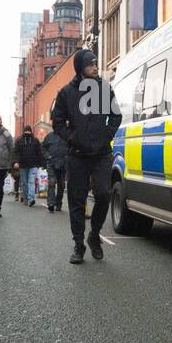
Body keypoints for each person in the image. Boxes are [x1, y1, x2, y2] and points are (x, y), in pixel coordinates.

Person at [51, 48, 122, 264]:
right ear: (81, 67)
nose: (95, 66)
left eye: (95, 63)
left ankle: (94, 236)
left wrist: (106, 136)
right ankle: (79, 244)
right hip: (77, 155)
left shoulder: (104, 89)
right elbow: (57, 123)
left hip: (101, 154)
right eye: (91, 64)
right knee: (76, 200)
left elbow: (116, 116)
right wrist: (72, 138)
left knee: (103, 195)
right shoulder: (66, 93)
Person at [13, 125, 44, 207]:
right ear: (24, 131)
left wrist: (42, 164)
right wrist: (15, 162)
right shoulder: (19, 140)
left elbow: (39, 153)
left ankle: (31, 199)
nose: (27, 132)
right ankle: (25, 198)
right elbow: (15, 152)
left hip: (33, 165)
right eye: (26, 131)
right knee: (24, 183)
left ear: (31, 131)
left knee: (31, 182)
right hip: (22, 165)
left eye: (28, 131)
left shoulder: (35, 141)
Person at [40, 121, 68, 214]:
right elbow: (43, 148)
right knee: (51, 183)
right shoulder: (49, 136)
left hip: (64, 165)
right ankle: (51, 204)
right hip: (52, 164)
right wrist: (48, 156)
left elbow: (72, 148)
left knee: (61, 185)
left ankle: (58, 203)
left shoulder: (67, 135)